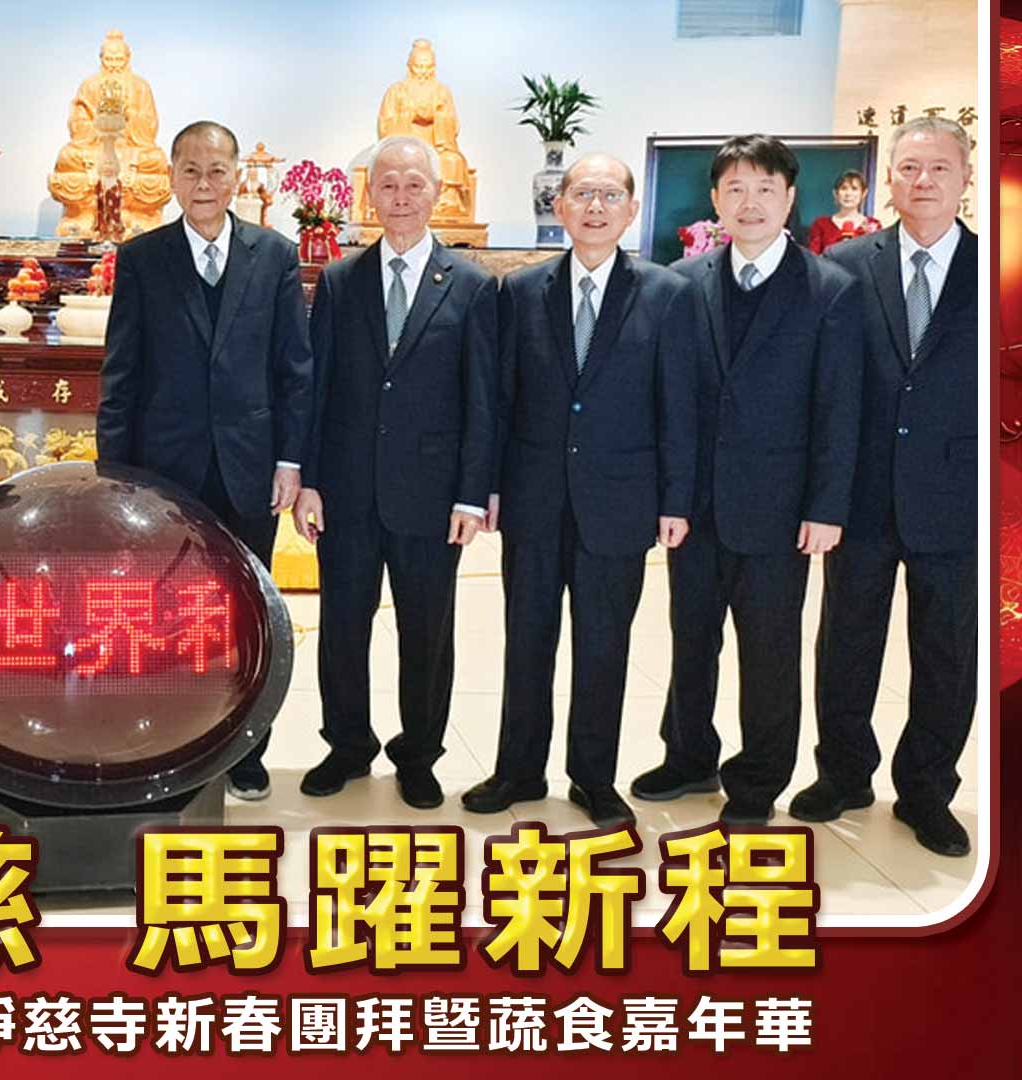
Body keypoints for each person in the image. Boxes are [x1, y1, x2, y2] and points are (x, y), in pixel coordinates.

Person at [461, 154, 698, 829]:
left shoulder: (666, 293)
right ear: (559, 206)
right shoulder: (521, 290)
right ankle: (518, 768)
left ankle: (593, 778)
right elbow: (500, 400)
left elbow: (678, 406)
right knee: (526, 641)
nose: (596, 207)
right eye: (583, 194)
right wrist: (488, 486)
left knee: (603, 646)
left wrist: (675, 499)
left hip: (620, 502)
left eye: (610, 195)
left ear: (631, 209)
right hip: (533, 497)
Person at [632, 135, 862, 825]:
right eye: (735, 188)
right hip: (696, 505)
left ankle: (759, 781)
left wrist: (826, 507)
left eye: (765, 188)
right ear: (715, 200)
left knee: (769, 651)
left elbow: (839, 408)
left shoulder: (829, 289)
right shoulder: (685, 281)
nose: (750, 202)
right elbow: (672, 399)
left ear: (790, 199)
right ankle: (687, 756)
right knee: (690, 640)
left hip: (781, 510)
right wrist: (670, 497)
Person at [96, 119, 312, 802]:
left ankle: (245, 751)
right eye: (189, 170)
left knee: (247, 615)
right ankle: (169, 744)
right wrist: (115, 478)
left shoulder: (274, 257)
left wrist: (291, 460)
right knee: (162, 616)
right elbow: (121, 375)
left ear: (237, 176)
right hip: (163, 475)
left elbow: (294, 370)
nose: (204, 183)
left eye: (217, 170)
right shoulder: (142, 258)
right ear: (171, 177)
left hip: (250, 469)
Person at [292, 136, 496, 809]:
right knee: (342, 627)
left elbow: (483, 400)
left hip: (432, 496)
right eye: (388, 185)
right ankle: (347, 745)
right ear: (369, 195)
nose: (401, 197)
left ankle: (420, 754)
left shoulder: (471, 285)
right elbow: (317, 387)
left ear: (436, 193)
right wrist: (310, 479)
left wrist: (471, 494)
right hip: (346, 491)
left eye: (414, 184)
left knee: (427, 632)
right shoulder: (341, 281)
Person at [803, 117, 978, 856]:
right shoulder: (845, 265)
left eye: (939, 168)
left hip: (959, 496)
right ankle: (843, 774)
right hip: (862, 494)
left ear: (966, 177)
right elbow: (824, 386)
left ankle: (927, 791)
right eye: (908, 168)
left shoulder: (995, 268)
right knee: (847, 643)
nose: (923, 181)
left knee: (947, 653)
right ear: (888, 180)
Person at [807, 169, 882, 255]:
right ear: (835, 193)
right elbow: (813, 258)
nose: (848, 194)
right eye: (843, 188)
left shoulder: (873, 225)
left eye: (854, 189)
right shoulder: (821, 224)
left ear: (864, 193)